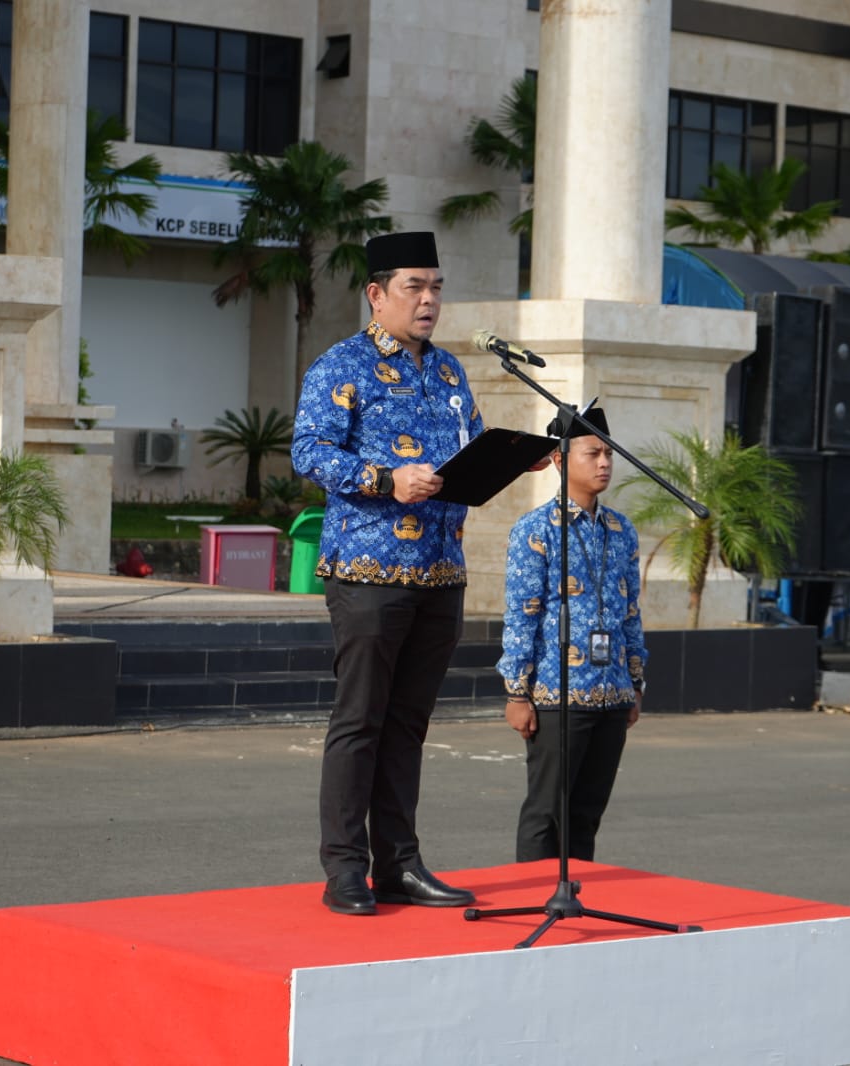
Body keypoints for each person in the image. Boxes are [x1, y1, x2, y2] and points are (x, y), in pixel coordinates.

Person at [291, 231, 482, 916]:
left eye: (436, 286)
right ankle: (344, 869)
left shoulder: (452, 372)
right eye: (414, 287)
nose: (429, 300)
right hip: (369, 573)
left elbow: (468, 451)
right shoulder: (341, 366)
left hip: (440, 572)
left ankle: (399, 863)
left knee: (408, 726)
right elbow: (308, 452)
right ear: (377, 294)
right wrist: (383, 478)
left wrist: (509, 461)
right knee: (361, 722)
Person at [498, 408, 645, 862]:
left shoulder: (622, 530)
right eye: (592, 453)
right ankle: (530, 898)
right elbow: (522, 615)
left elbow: (631, 613)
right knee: (546, 811)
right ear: (561, 461)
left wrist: (635, 683)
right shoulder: (536, 530)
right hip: (558, 694)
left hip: (612, 692)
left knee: (586, 813)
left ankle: (579, 898)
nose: (604, 463)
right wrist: (517, 692)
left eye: (608, 454)